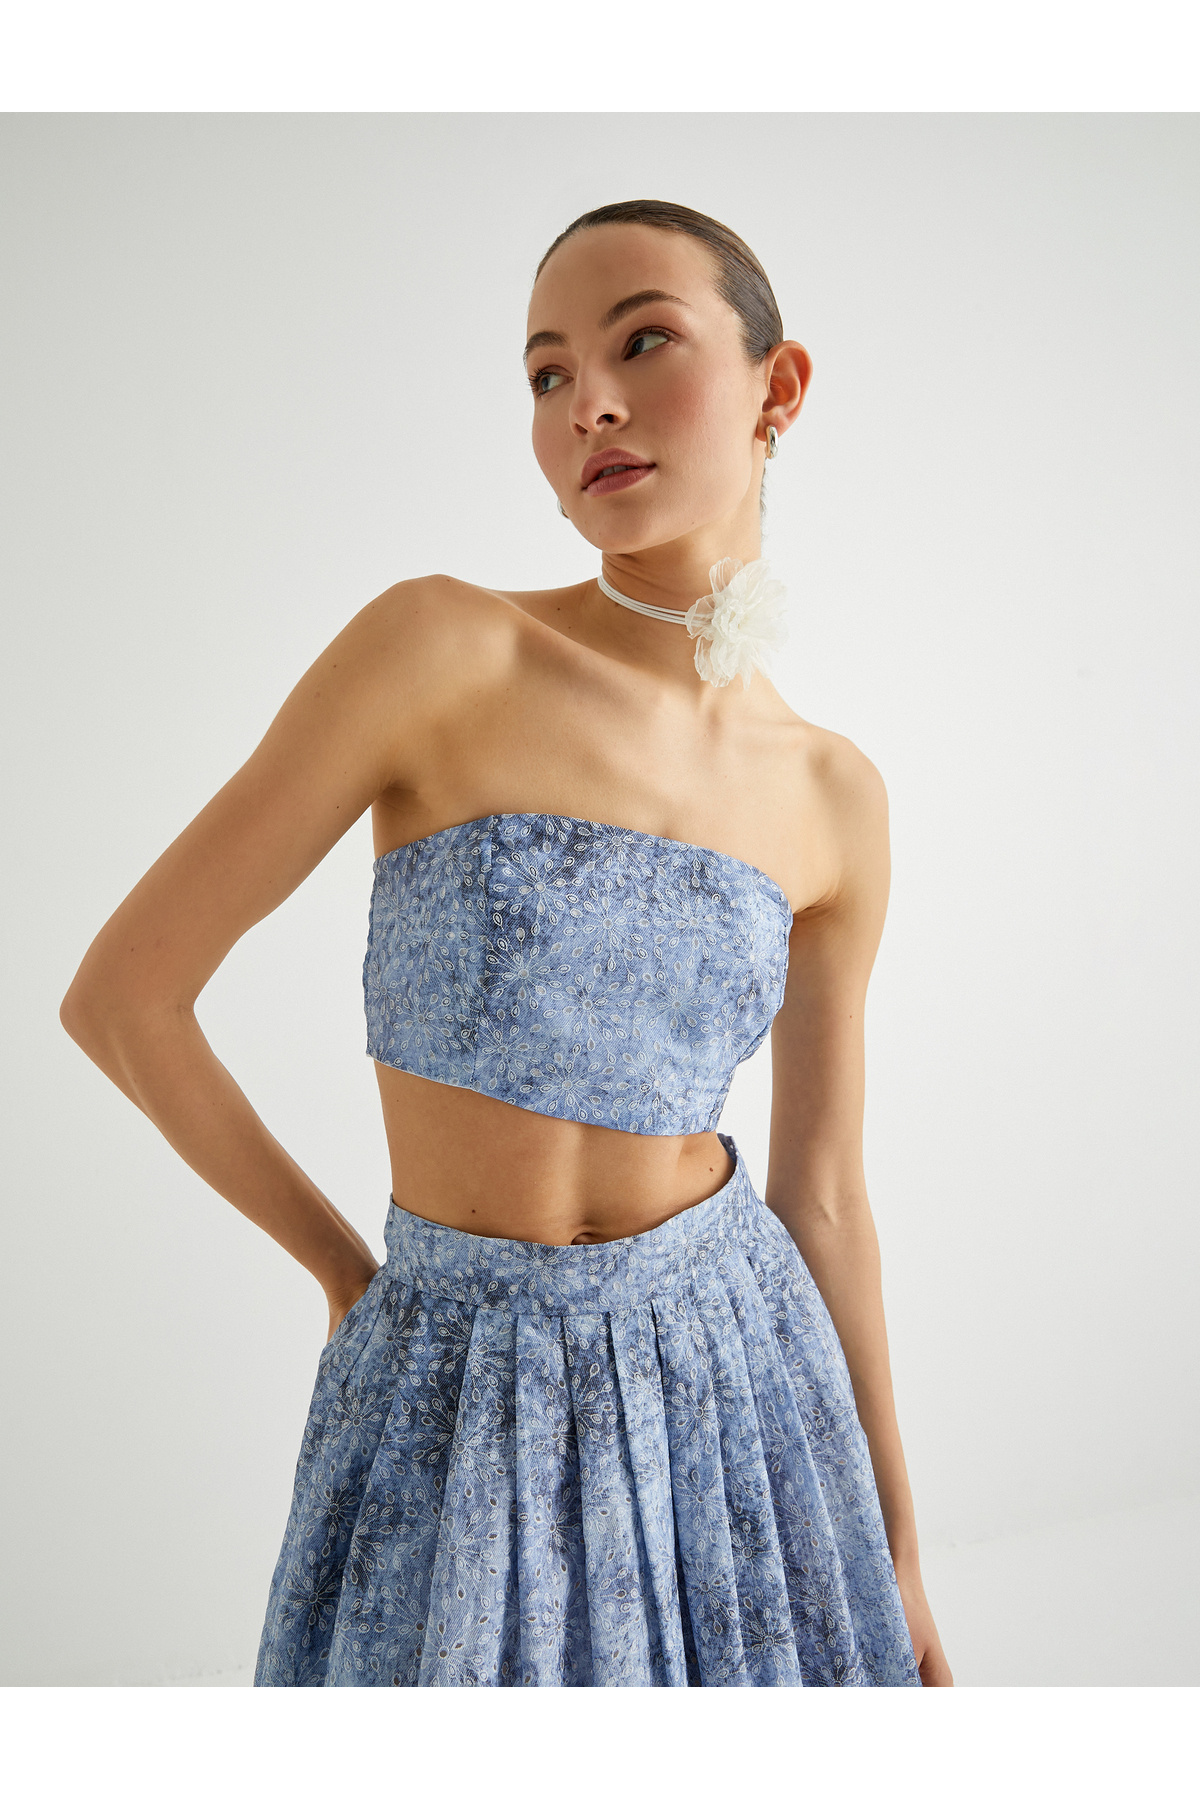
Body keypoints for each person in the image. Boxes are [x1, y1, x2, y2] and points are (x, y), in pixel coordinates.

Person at [60, 198, 952, 1688]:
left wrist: (901, 1544)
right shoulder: (440, 649)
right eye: (547, 372)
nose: (587, 400)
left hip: (733, 1385)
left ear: (778, 387)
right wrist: (351, 1277)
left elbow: (826, 1199)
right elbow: (125, 1000)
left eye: (642, 342)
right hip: (454, 1381)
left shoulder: (835, 796)